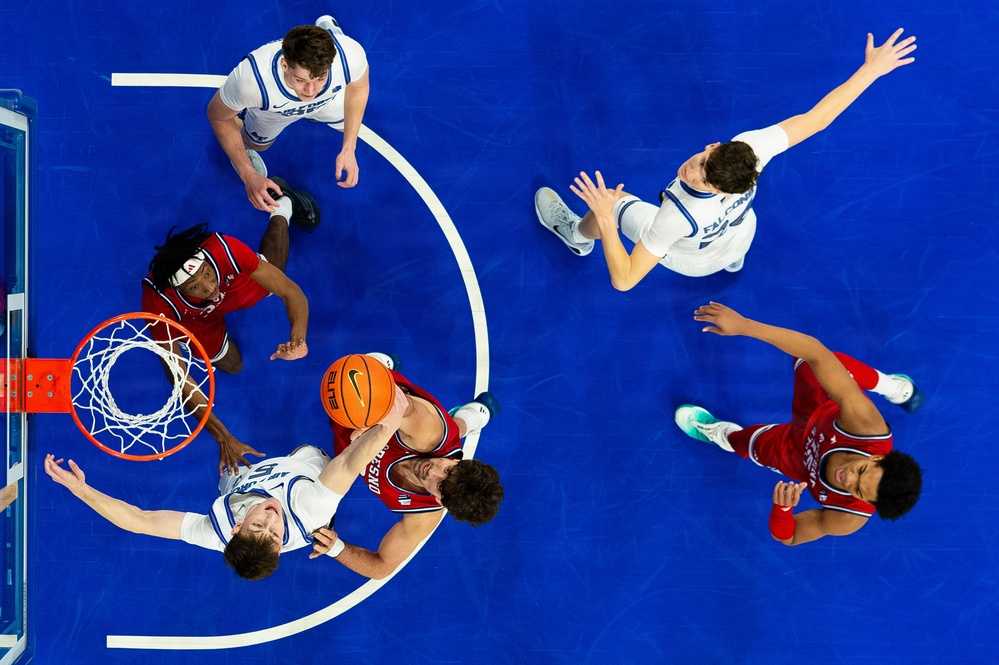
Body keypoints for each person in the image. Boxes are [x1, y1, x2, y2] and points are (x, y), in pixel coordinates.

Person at [536, 28, 917, 290]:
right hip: (737, 238)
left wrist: (605, 219)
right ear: (716, 146)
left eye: (703, 178)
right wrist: (871, 71)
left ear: (720, 190)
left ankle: (576, 235)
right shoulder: (751, 151)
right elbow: (818, 119)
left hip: (690, 258)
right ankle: (734, 262)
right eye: (703, 162)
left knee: (614, 201)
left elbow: (626, 280)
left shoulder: (675, 215)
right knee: (736, 238)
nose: (691, 171)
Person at [43, 387, 408, 581]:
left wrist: (80, 490)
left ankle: (240, 484)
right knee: (347, 443)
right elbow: (351, 462)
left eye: (257, 525)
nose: (271, 518)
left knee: (229, 478)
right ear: (281, 544)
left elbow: (141, 521)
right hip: (307, 469)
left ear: (235, 528)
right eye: (273, 533)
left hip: (245, 486)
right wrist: (390, 417)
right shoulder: (309, 508)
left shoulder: (215, 531)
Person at [674, 302, 924, 546]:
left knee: (741, 443)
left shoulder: (848, 517)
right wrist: (744, 325)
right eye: (860, 471)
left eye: (857, 490)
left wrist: (782, 510)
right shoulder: (867, 429)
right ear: (877, 458)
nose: (847, 478)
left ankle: (720, 432)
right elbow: (816, 353)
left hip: (797, 456)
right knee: (823, 363)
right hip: (820, 407)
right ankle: (894, 387)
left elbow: (790, 536)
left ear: (868, 502)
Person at [141, 182, 317, 473]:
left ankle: (284, 206)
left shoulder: (222, 251)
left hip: (232, 285)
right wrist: (223, 437)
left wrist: (298, 340)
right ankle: (206, 335)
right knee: (233, 365)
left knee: (275, 270)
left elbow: (291, 291)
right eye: (194, 286)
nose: (208, 287)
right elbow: (179, 377)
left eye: (206, 275)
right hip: (193, 319)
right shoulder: (160, 305)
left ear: (207, 261)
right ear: (180, 289)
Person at [309, 357, 504, 579]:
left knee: (452, 431)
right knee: (445, 431)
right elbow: (404, 407)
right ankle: (381, 366)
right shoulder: (428, 432)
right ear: (459, 462)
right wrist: (377, 417)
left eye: (440, 485)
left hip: (349, 441)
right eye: (448, 470)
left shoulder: (424, 515)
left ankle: (469, 416)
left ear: (440, 501)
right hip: (372, 398)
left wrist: (335, 548)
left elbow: (381, 567)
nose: (432, 470)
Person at [207, 15, 370, 212]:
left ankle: (332, 34)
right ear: (285, 65)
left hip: (328, 100)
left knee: (347, 127)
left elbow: (359, 87)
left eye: (320, 78)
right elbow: (218, 116)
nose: (310, 91)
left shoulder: (349, 55)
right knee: (255, 145)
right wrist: (248, 174)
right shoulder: (252, 81)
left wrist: (349, 148)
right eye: (301, 80)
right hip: (274, 111)